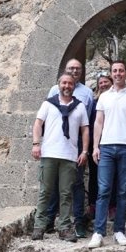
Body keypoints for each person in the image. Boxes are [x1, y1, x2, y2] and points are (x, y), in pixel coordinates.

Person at [88, 61, 126, 248]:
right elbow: (98, 123)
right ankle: (98, 232)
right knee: (103, 191)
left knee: (122, 192)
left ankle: (119, 230)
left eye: (121, 70)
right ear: (111, 74)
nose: (118, 73)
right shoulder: (104, 97)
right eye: (115, 71)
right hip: (106, 147)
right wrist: (95, 147)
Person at [31, 73, 90, 242]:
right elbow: (38, 123)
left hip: (69, 156)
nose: (67, 86)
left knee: (66, 194)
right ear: (59, 85)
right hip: (49, 153)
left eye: (70, 83)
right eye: (64, 83)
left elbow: (85, 129)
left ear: (73, 86)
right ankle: (39, 226)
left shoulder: (79, 107)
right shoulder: (48, 104)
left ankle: (64, 227)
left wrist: (84, 151)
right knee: (45, 191)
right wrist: (36, 144)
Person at [45, 59, 94, 238]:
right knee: (54, 181)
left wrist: (85, 149)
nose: (74, 70)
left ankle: (78, 222)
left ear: (82, 71)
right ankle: (49, 220)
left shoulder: (87, 93)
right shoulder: (53, 90)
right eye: (71, 68)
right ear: (64, 71)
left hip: (77, 142)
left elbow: (87, 122)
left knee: (77, 183)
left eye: (77, 68)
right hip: (56, 142)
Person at [87, 72, 115, 221]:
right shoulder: (94, 102)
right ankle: (93, 205)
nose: (103, 85)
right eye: (101, 83)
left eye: (106, 82)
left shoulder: (115, 99)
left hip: (112, 141)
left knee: (113, 176)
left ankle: (112, 206)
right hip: (96, 143)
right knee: (94, 175)